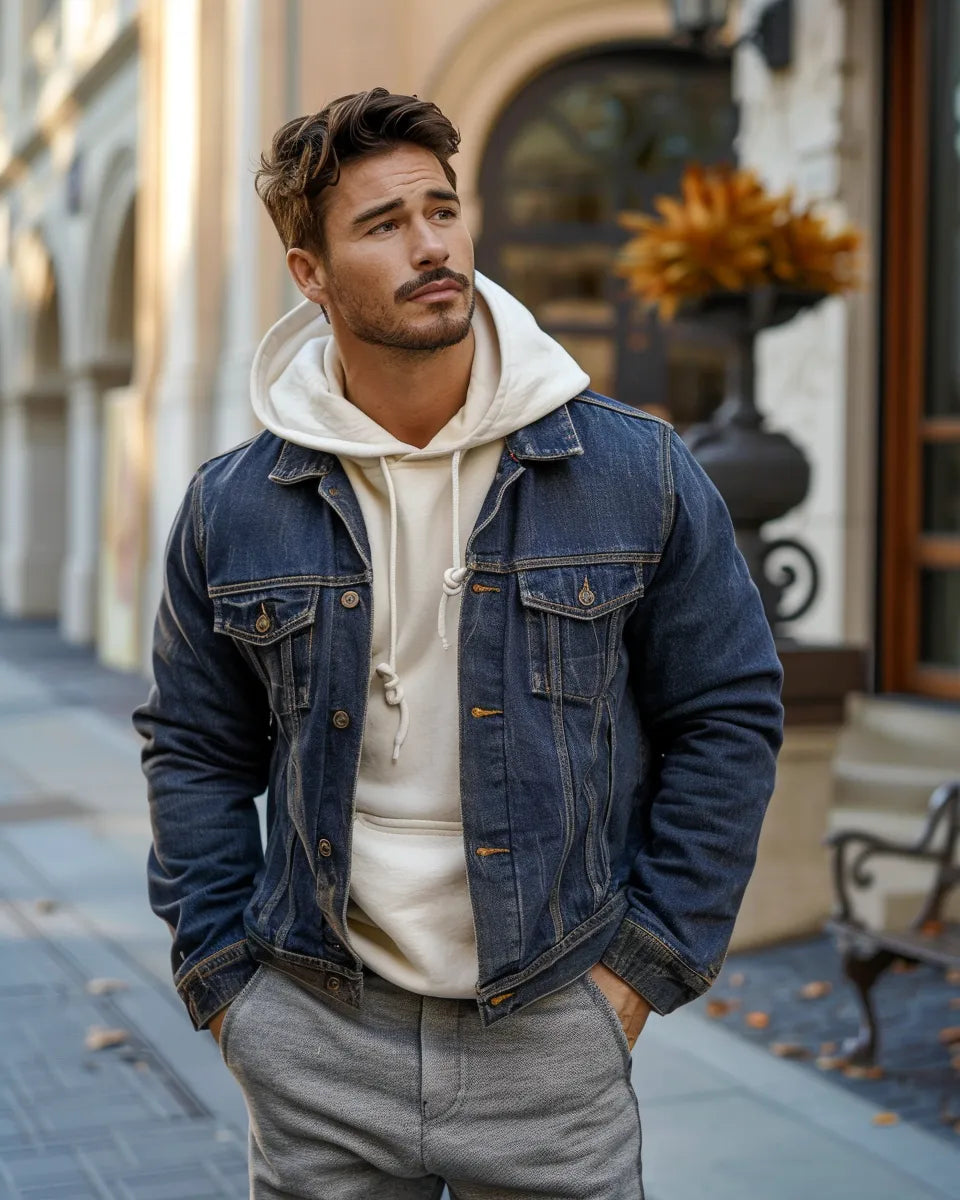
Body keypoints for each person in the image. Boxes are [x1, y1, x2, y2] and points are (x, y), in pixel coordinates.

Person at [134, 88, 783, 1199]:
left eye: (441, 209)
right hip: (317, 1033)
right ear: (311, 274)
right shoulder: (231, 507)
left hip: (552, 1029)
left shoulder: (636, 472)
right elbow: (193, 748)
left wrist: (640, 971)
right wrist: (227, 986)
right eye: (382, 224)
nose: (431, 245)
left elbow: (727, 715)